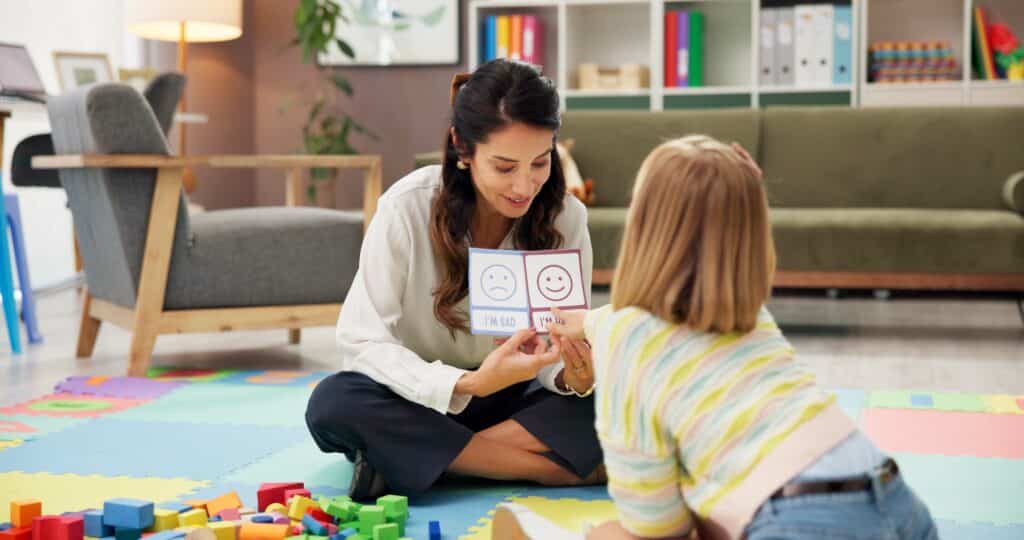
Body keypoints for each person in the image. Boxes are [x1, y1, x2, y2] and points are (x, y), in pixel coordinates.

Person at [494, 135, 936, 539]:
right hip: (900, 504)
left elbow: (655, 527)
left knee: (613, 534)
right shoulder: (750, 316)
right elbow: (647, 321)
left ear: (644, 229)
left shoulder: (627, 342)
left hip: (797, 520)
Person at [305, 59, 604, 501]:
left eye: (540, 163)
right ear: (462, 148)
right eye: (504, 167)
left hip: (516, 400)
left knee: (624, 396)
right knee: (334, 403)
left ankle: (422, 462)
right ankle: (542, 470)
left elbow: (557, 350)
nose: (525, 185)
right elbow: (362, 341)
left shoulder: (565, 217)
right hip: (421, 398)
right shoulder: (407, 207)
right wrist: (471, 384)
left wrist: (573, 377)